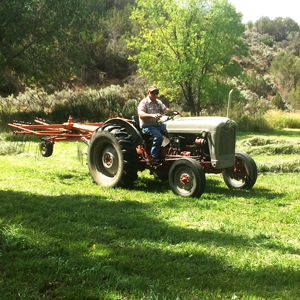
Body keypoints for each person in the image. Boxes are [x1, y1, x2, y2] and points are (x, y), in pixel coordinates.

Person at [138, 85, 180, 163]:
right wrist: (152, 115)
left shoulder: (158, 102)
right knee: (159, 137)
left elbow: (166, 111)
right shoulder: (144, 102)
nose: (155, 95)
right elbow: (141, 114)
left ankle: (172, 151)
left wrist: (174, 112)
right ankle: (153, 157)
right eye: (153, 93)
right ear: (148, 93)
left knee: (171, 131)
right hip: (147, 127)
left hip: (157, 125)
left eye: (156, 93)